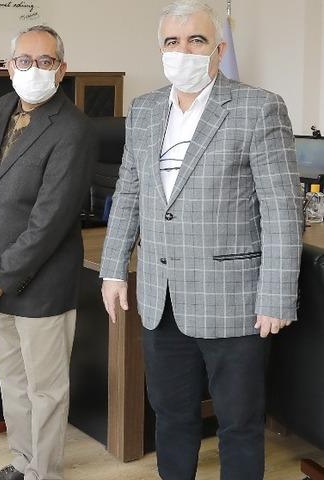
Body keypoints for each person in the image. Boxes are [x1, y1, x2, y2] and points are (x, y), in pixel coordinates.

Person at [99, 1, 303, 479]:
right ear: (161, 49)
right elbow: (129, 189)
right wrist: (113, 267)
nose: (183, 51)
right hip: (160, 297)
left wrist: (276, 295)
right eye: (172, 41)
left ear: (219, 48)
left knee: (239, 423)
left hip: (234, 300)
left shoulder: (258, 106)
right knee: (171, 416)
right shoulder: (145, 109)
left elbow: (281, 209)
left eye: (196, 40)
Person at [0, 24, 96, 480]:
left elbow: (50, 222)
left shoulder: (74, 129)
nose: (33, 69)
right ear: (9, 67)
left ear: (62, 68)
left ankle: (45, 473)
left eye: (46, 61)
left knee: (46, 389)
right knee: (13, 379)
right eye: (23, 61)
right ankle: (22, 463)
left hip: (40, 281)